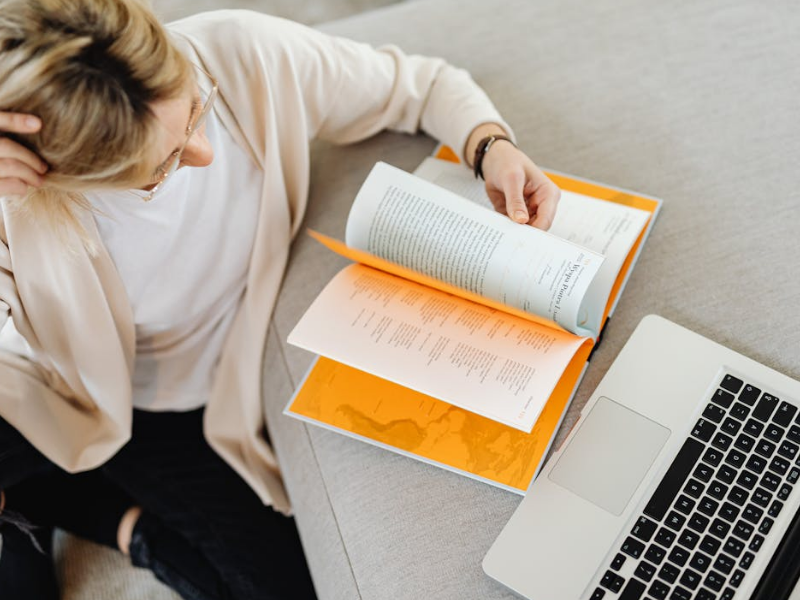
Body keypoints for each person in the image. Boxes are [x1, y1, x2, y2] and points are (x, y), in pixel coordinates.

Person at [0, 0, 561, 598]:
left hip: (183, 404)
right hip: (69, 395)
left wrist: (489, 147)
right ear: (64, 178)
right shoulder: (19, 208)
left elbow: (417, 86)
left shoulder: (240, 53)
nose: (203, 153)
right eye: (159, 168)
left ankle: (103, 518)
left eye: (196, 110)